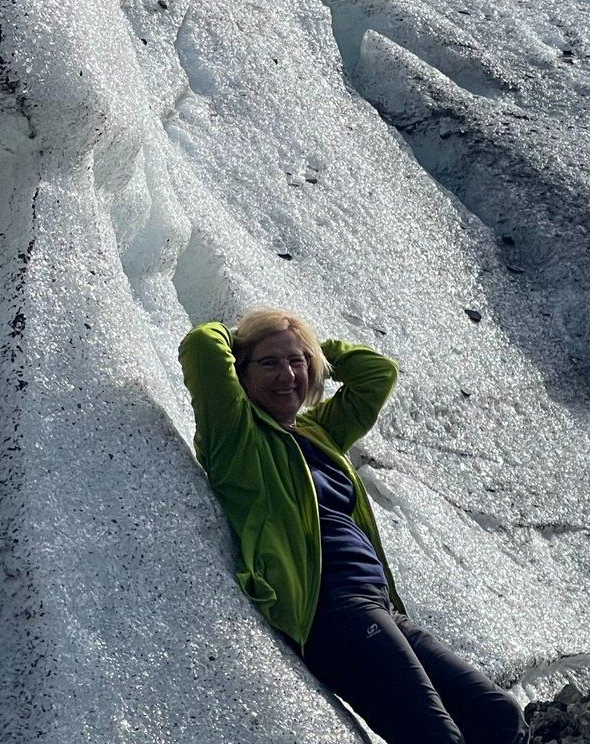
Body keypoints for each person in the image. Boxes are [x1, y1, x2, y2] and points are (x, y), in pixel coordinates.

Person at [180, 308, 523, 744]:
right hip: (329, 609)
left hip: (377, 603)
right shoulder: (236, 438)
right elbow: (201, 347)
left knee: (498, 715)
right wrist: (246, 338)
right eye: (268, 363)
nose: (287, 374)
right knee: (435, 736)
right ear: (241, 372)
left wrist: (308, 348)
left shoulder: (316, 432)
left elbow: (377, 375)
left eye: (296, 362)